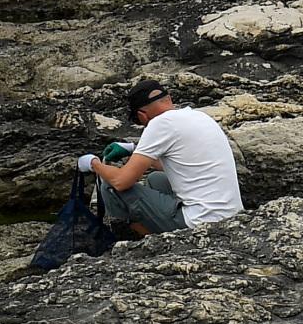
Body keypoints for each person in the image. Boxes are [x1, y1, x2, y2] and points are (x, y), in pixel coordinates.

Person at [78, 78, 243, 236]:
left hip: (200, 221)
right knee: (156, 179)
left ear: (142, 115)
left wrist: (94, 164)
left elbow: (121, 181)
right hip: (231, 214)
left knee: (110, 186)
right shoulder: (199, 116)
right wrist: (132, 149)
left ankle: (153, 241)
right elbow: (180, 166)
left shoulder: (160, 123)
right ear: (168, 98)